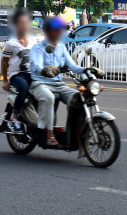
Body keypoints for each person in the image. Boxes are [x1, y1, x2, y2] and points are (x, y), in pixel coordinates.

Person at [28, 16, 87, 146]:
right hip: (40, 84)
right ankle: (49, 134)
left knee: (79, 98)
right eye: (56, 30)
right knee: (49, 98)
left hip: (58, 84)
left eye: (60, 30)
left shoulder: (61, 47)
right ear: (47, 31)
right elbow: (36, 66)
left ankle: (78, 133)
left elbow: (72, 66)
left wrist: (87, 70)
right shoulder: (37, 48)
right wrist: (45, 70)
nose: (59, 33)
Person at [0, 8, 37, 133]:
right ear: (16, 25)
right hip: (17, 76)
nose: (24, 25)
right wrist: (5, 81)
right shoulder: (11, 43)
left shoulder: (33, 41)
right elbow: (4, 62)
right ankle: (14, 118)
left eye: (26, 23)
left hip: (31, 74)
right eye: (21, 23)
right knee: (23, 87)